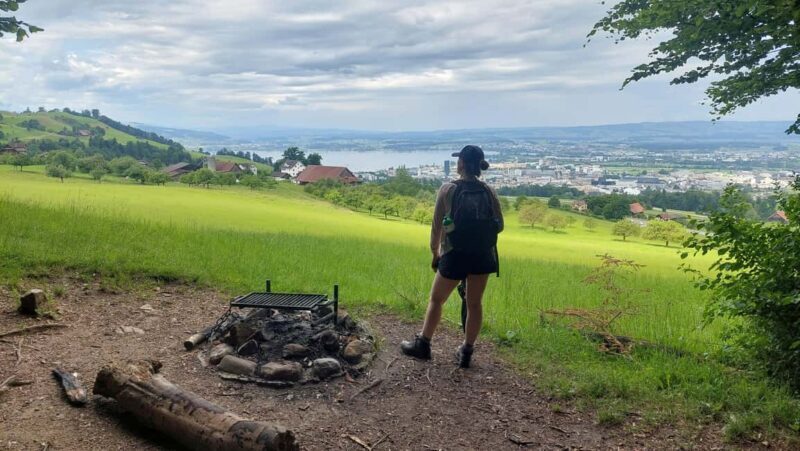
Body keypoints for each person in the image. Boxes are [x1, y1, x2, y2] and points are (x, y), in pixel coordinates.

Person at [400, 145, 504, 368]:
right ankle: (466, 352)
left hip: (454, 254)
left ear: (461, 164)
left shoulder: (448, 189)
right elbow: (500, 226)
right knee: (475, 304)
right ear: (480, 166)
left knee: (437, 300)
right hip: (483, 256)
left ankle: (423, 344)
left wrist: (435, 253)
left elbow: (437, 227)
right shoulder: (489, 191)